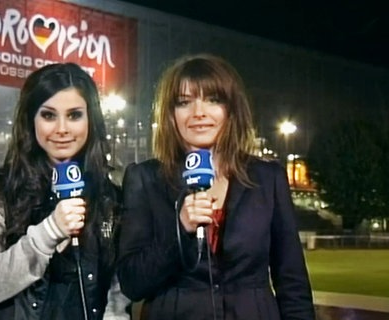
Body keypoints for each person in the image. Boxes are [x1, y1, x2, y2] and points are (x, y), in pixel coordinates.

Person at [117, 54, 315, 319]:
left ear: (231, 110)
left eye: (213, 100)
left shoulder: (268, 178)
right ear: (170, 115)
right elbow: (133, 283)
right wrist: (181, 230)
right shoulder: (144, 179)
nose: (199, 113)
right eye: (184, 102)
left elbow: (293, 284)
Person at [0, 63, 129, 320]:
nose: (62, 129)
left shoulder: (111, 198)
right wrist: (49, 232)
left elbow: (115, 297)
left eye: (74, 115)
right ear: (31, 120)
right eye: (49, 115)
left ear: (91, 120)